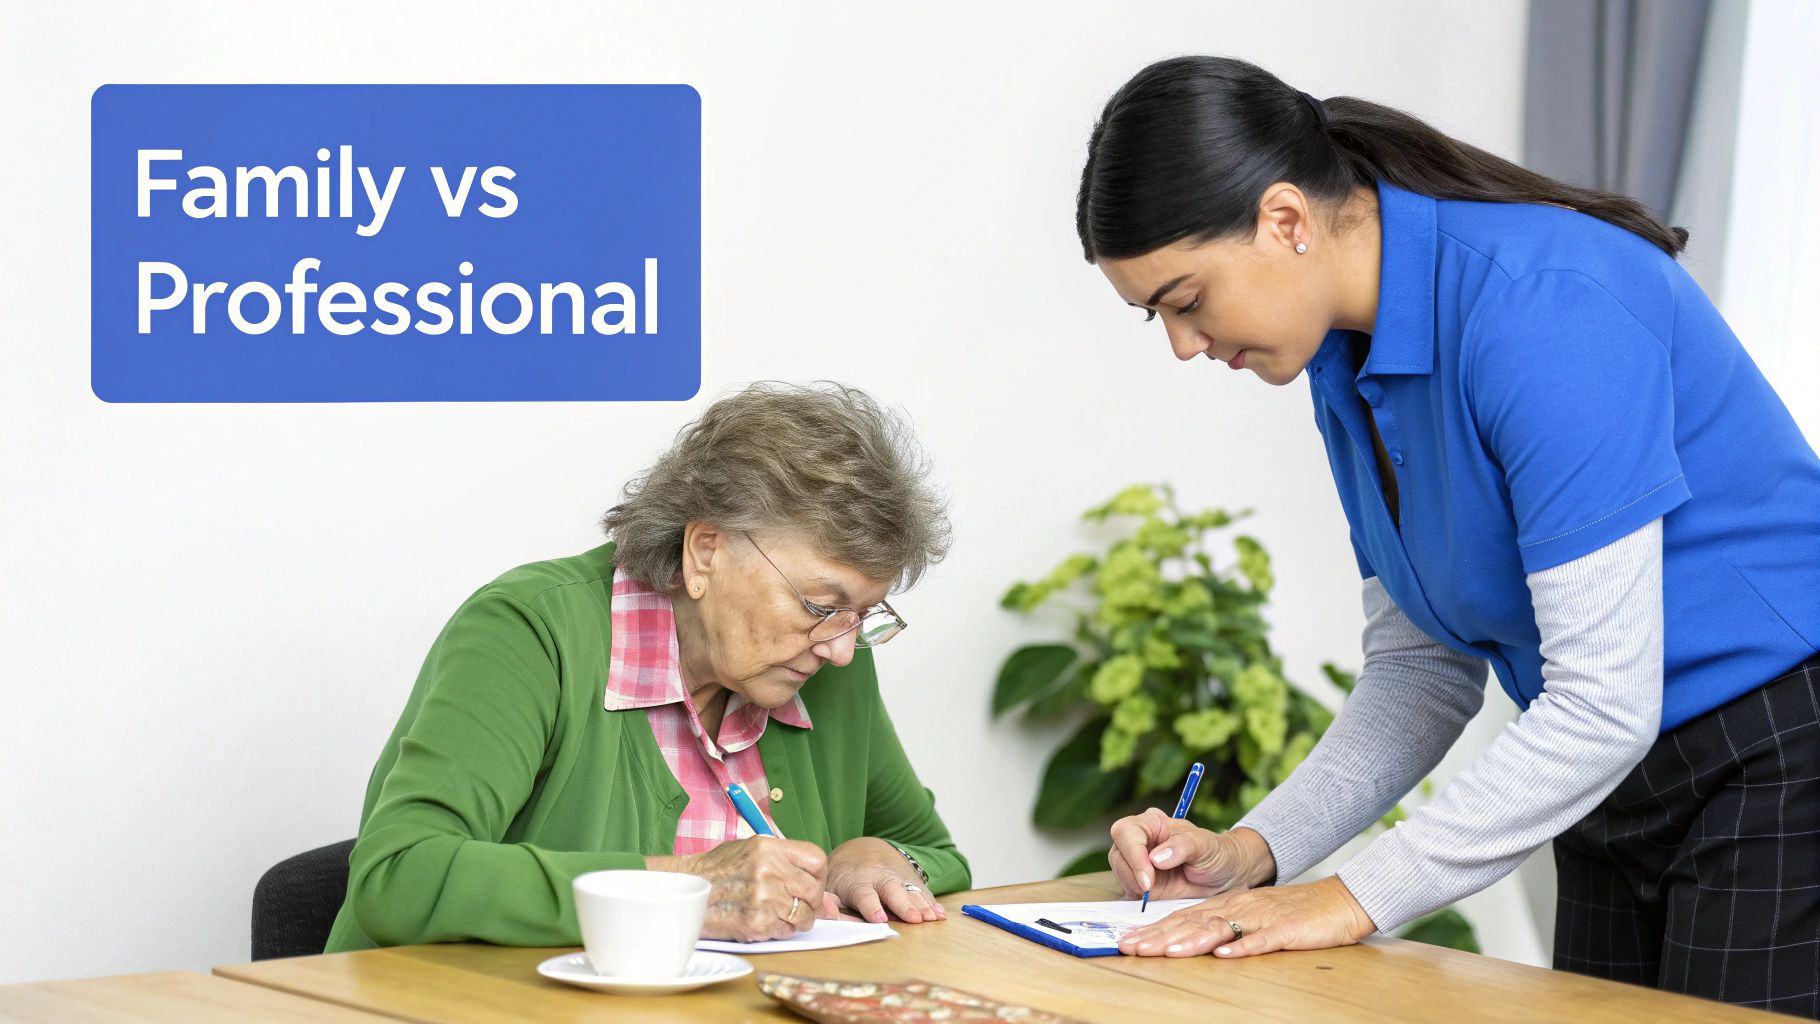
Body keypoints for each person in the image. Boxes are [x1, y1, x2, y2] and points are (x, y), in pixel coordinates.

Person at [1079, 55, 1820, 1016]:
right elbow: (1421, 671)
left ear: (1286, 219)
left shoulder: (1542, 306)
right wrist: (1251, 855)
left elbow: (1603, 700)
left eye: (1186, 300)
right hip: (1612, 774)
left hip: (1776, 749)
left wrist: (1351, 899)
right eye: (1157, 319)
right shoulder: (1345, 359)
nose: (1185, 344)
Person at [324, 382, 967, 952]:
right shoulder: (532, 630)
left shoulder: (828, 661)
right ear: (706, 551)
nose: (841, 648)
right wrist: (690, 887)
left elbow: (938, 855)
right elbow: (400, 875)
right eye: (820, 605)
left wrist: (871, 856)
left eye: (861, 614)